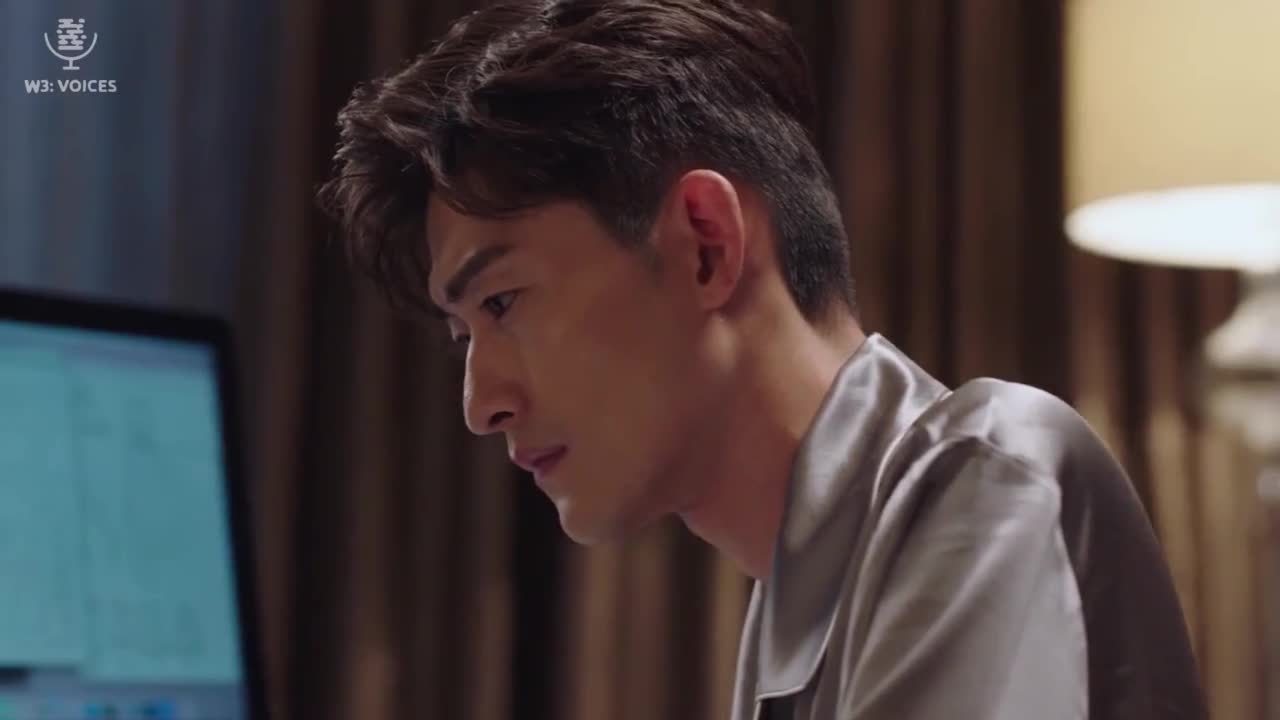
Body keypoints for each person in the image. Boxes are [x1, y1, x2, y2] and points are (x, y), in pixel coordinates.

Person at [316, 1, 1206, 717]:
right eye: (465, 335)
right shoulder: (799, 603)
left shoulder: (983, 472)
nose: (482, 404)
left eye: (504, 303)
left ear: (706, 243)